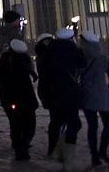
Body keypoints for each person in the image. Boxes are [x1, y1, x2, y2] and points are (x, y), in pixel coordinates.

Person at [40, 27, 84, 166]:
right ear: (71, 38)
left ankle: (53, 149)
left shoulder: (48, 52)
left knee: (55, 122)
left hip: (53, 95)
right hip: (70, 94)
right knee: (74, 123)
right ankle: (68, 155)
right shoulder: (73, 50)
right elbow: (83, 63)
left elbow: (43, 76)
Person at [0, 38, 38, 160]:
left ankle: (18, 146)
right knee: (29, 124)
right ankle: (23, 145)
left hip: (8, 97)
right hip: (25, 98)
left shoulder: (4, 60)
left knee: (14, 123)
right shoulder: (25, 60)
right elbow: (32, 75)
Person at [79, 30, 108, 167]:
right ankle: (102, 151)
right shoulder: (103, 58)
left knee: (92, 126)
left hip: (86, 96)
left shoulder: (80, 57)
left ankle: (94, 157)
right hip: (102, 95)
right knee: (107, 125)